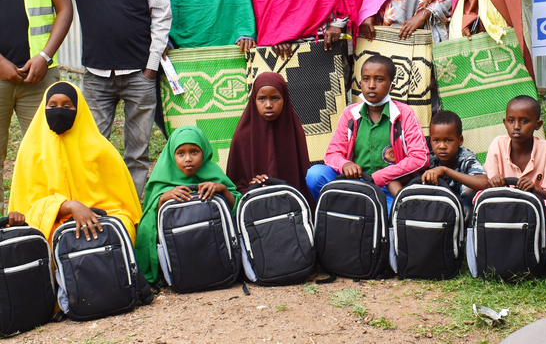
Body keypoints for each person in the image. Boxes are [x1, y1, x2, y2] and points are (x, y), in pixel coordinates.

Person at [55, 0, 172, 197]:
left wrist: (151, 66)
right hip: (95, 76)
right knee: (92, 149)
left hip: (139, 76)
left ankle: (131, 212)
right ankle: (99, 208)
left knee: (137, 154)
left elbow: (162, 14)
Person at [0, 0, 73, 214]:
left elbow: (65, 10)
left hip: (38, 77)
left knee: (48, 153)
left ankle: (42, 225)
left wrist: (45, 56)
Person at [8, 82, 141, 243]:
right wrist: (68, 207)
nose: (59, 111)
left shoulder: (101, 149)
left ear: (79, 110)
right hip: (51, 221)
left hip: (100, 218)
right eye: (52, 105)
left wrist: (91, 215)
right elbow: (28, 209)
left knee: (122, 228)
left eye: (67, 106)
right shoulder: (30, 151)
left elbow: (124, 207)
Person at [305, 55, 430, 213]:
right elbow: (332, 154)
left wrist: (381, 177)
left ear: (391, 86)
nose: (371, 85)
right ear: (360, 82)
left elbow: (420, 158)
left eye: (379, 79)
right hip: (354, 184)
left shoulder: (404, 114)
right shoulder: (350, 114)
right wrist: (346, 165)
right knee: (315, 175)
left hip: (389, 188)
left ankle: (357, 212)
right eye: (366, 79)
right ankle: (340, 213)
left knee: (395, 215)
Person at [135, 125, 242, 284]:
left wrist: (223, 190)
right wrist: (163, 198)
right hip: (179, 252)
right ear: (172, 155)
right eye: (180, 153)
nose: (188, 159)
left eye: (194, 151)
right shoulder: (162, 178)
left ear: (204, 152)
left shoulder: (213, 174)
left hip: (214, 249)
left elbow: (237, 209)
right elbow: (148, 222)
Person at [484, 95, 546, 245]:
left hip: (538, 217)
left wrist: (534, 189)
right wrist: (493, 181)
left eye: (524, 121)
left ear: (537, 124)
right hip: (504, 215)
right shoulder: (498, 145)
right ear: (505, 122)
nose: (516, 126)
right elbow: (486, 190)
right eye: (511, 120)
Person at [225, 72, 313, 206]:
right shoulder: (242, 136)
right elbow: (235, 186)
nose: (268, 105)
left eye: (275, 98)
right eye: (261, 99)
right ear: (254, 100)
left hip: (292, 207)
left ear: (284, 99)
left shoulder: (294, 131)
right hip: (254, 206)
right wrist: (252, 188)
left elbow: (302, 181)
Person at [422, 110, 488, 217]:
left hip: (462, 212)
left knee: (470, 190)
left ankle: (467, 231)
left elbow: (483, 182)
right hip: (438, 212)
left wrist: (445, 170)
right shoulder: (428, 158)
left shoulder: (465, 157)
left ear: (460, 140)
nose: (442, 146)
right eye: (436, 140)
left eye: (448, 140)